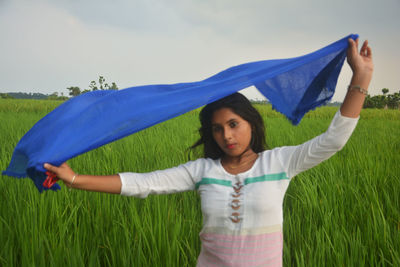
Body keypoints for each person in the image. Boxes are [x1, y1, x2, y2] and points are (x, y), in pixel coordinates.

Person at [44, 38, 373, 266]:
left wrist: (361, 78)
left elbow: (333, 140)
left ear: (251, 123)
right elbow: (142, 183)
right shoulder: (202, 171)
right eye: (217, 129)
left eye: (233, 124)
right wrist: (73, 178)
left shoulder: (280, 162)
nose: (226, 135)